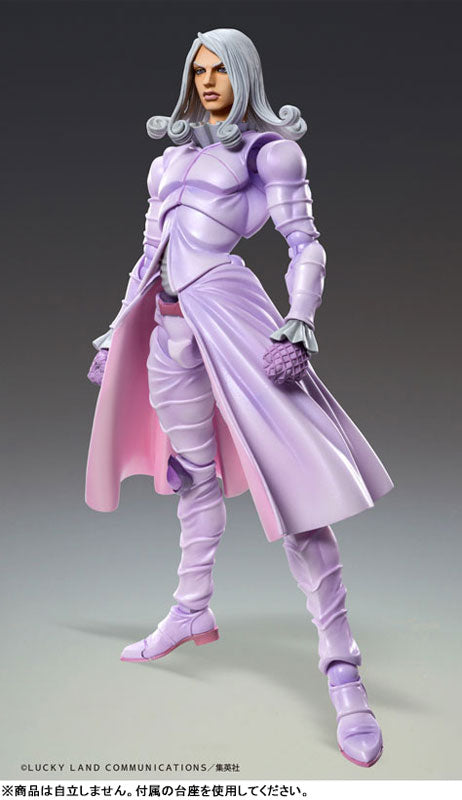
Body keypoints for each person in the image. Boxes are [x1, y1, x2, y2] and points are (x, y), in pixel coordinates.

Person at [86, 28, 393, 768]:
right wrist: (114, 331)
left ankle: (343, 670)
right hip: (167, 330)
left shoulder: (270, 153)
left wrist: (299, 323)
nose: (207, 79)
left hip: (233, 316)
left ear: (244, 74)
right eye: (198, 68)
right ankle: (192, 609)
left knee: (296, 491)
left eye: (220, 68)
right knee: (192, 475)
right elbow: (148, 252)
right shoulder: (168, 160)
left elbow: (306, 244)